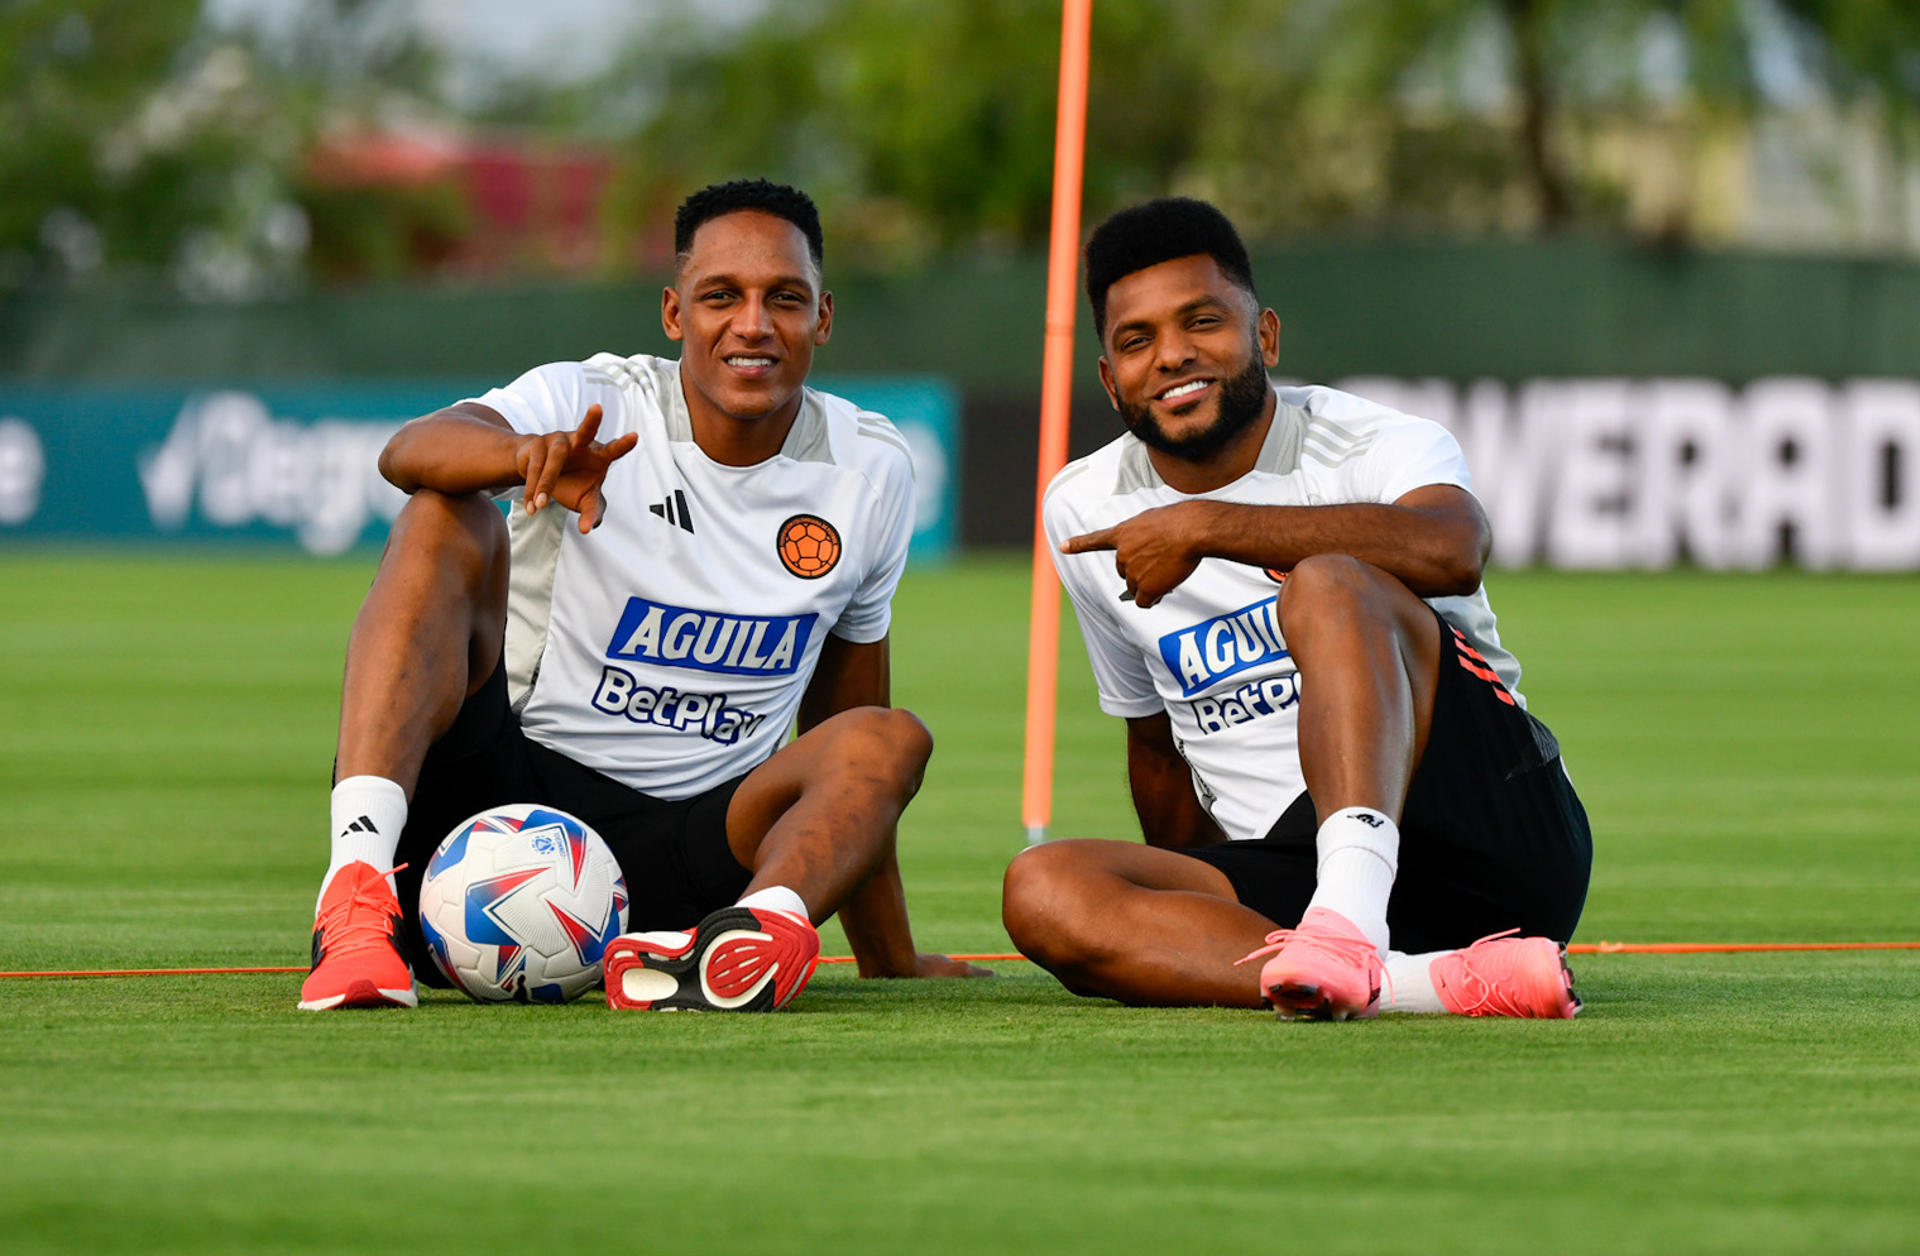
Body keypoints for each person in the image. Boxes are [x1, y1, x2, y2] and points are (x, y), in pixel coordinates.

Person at [300, 178, 987, 1013]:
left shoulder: (870, 471)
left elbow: (846, 731)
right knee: (444, 512)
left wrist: (890, 960)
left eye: (786, 299)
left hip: (685, 866)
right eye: (721, 297)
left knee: (888, 739)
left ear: (824, 317)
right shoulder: (592, 400)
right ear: (673, 314)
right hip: (494, 809)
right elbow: (410, 450)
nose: (754, 324)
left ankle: (744, 945)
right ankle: (357, 900)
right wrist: (525, 456)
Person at [1002, 198, 1592, 1020]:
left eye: (1201, 321)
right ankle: (1415, 985)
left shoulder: (1371, 441)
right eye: (1136, 341)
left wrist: (1207, 526)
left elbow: (1454, 549)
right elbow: (1156, 742)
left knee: (1326, 583)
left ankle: (1350, 925)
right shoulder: (1080, 506)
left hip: (1486, 830)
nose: (1171, 356)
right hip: (1294, 865)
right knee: (1043, 888)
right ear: (1108, 380)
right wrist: (1181, 920)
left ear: (1265, 337)